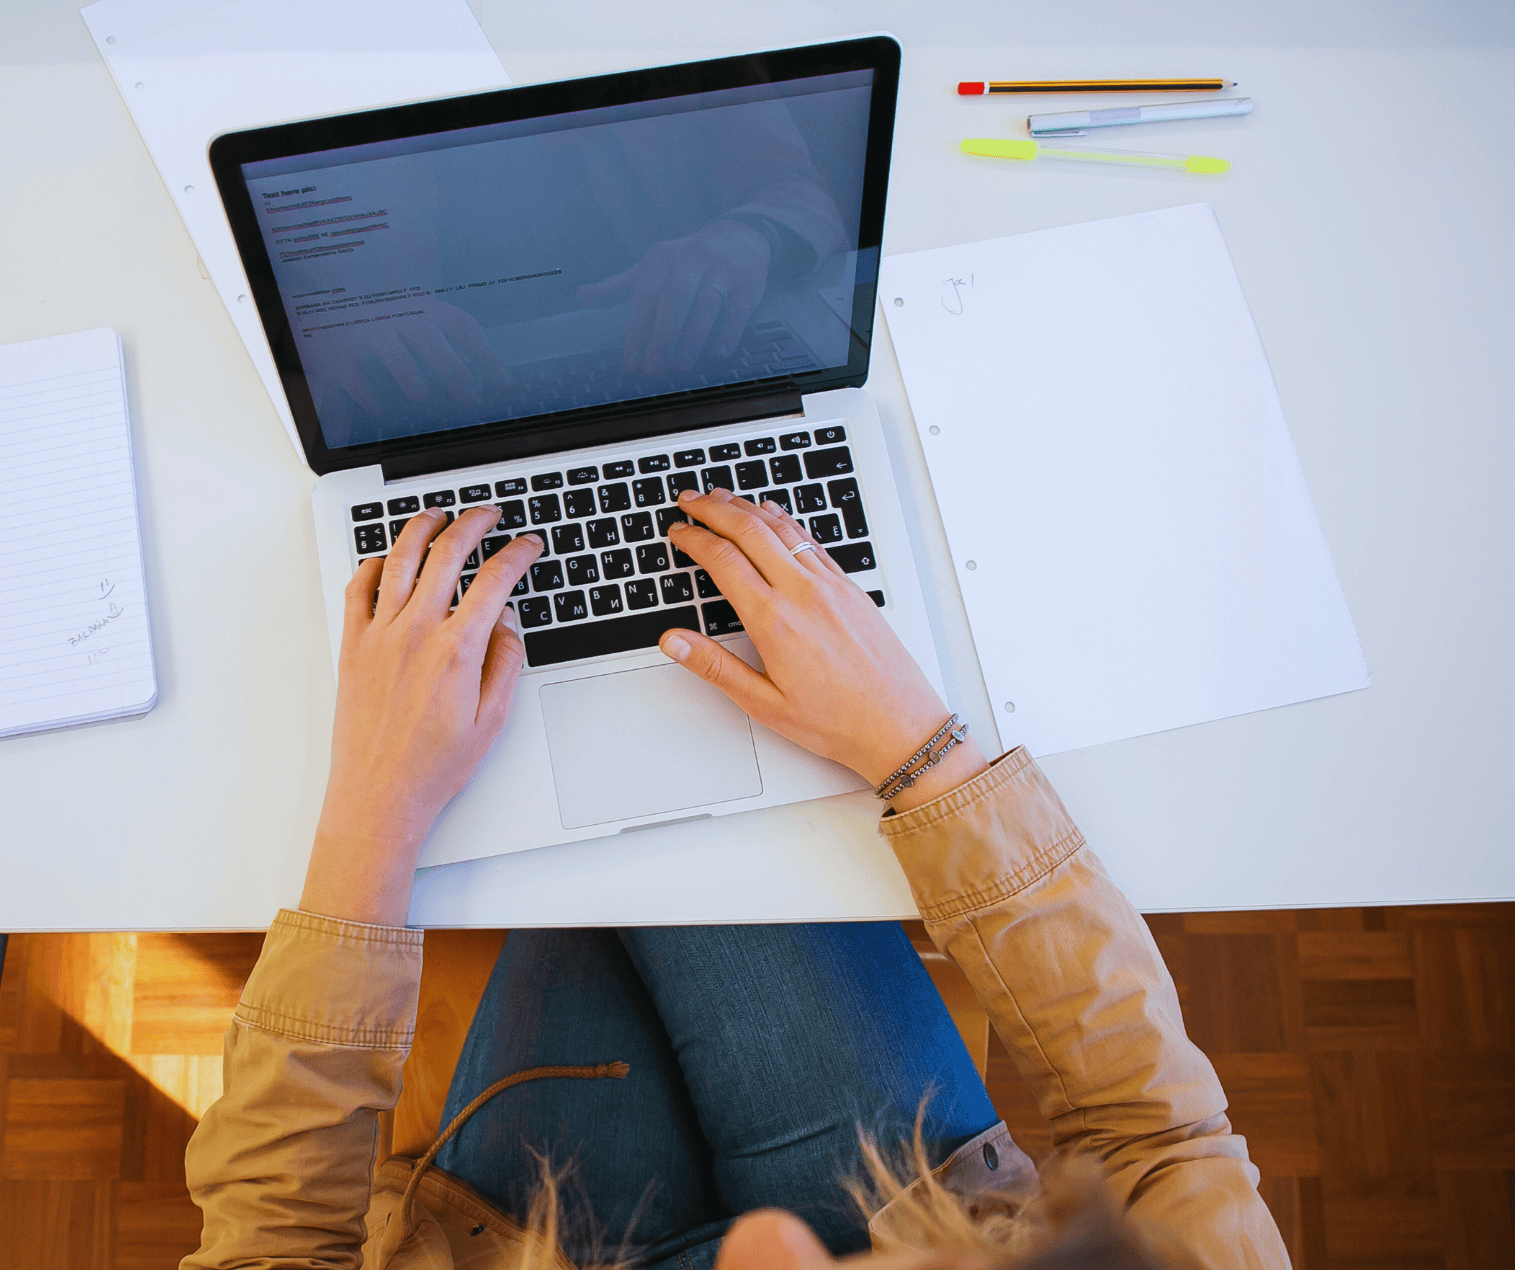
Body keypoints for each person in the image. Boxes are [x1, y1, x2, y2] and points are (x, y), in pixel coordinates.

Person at [181, 488, 1291, 1270]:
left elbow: (272, 1245)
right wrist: (918, 751)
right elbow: (1159, 1132)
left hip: (519, 1233)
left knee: (608, 863)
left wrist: (374, 810)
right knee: (671, 847)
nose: (761, 1247)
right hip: (906, 1184)